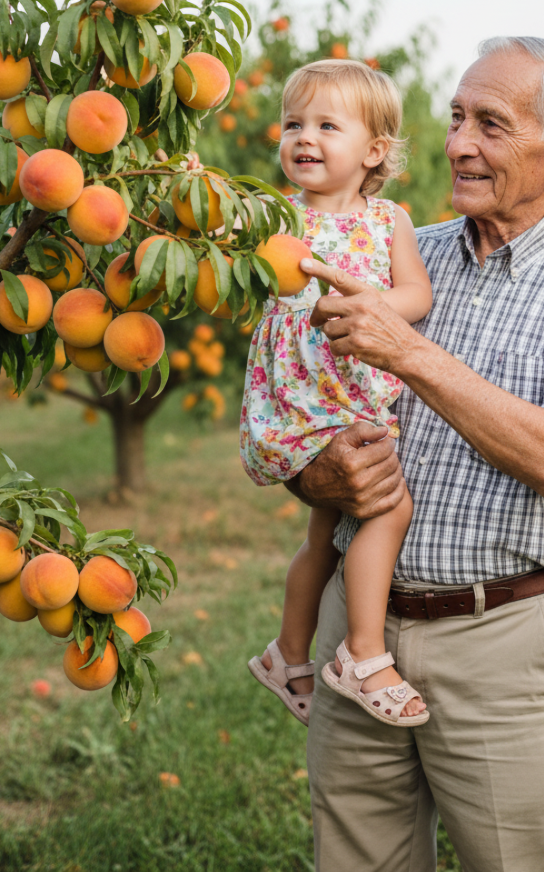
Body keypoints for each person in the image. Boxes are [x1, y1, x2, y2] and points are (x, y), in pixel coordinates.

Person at [289, 37, 544, 872]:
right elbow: (302, 411)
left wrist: (409, 352)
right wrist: (311, 472)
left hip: (503, 645)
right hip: (361, 637)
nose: (458, 144)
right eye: (457, 118)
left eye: (490, 124)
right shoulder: (394, 253)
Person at [242, 60, 433, 727]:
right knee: (387, 506)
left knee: (325, 534)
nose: (304, 138)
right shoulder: (268, 216)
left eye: (327, 125)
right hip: (301, 401)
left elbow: (417, 294)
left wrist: (370, 302)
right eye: (294, 123)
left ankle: (286, 653)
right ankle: (364, 653)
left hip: (352, 391)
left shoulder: (387, 222)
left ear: (374, 151)